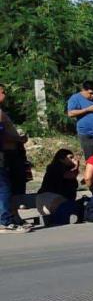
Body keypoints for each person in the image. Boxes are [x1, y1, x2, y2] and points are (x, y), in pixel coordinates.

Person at [0, 83, 31, 233]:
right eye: (2, 92)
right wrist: (18, 139)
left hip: (11, 152)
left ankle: (13, 217)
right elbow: (2, 134)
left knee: (11, 188)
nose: (5, 95)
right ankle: (6, 221)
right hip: (6, 153)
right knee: (6, 188)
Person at [37, 149, 83, 225]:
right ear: (61, 159)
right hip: (49, 199)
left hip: (58, 200)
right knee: (76, 208)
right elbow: (70, 175)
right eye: (70, 157)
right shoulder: (55, 166)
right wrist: (77, 166)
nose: (73, 160)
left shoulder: (67, 168)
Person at [67, 81, 93, 158]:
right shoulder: (75, 98)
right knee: (91, 159)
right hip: (87, 134)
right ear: (83, 90)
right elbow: (70, 113)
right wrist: (87, 109)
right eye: (90, 93)